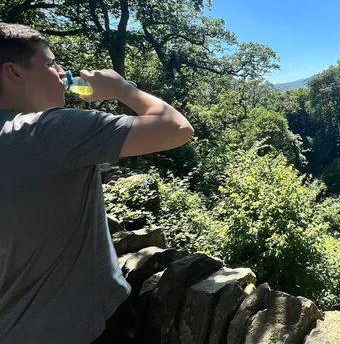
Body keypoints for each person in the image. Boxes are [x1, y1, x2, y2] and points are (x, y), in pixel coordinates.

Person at [0, 23, 194, 344]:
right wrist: (122, 89)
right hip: (87, 325)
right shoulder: (51, 131)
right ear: (13, 72)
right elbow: (176, 128)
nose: (63, 72)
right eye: (50, 63)